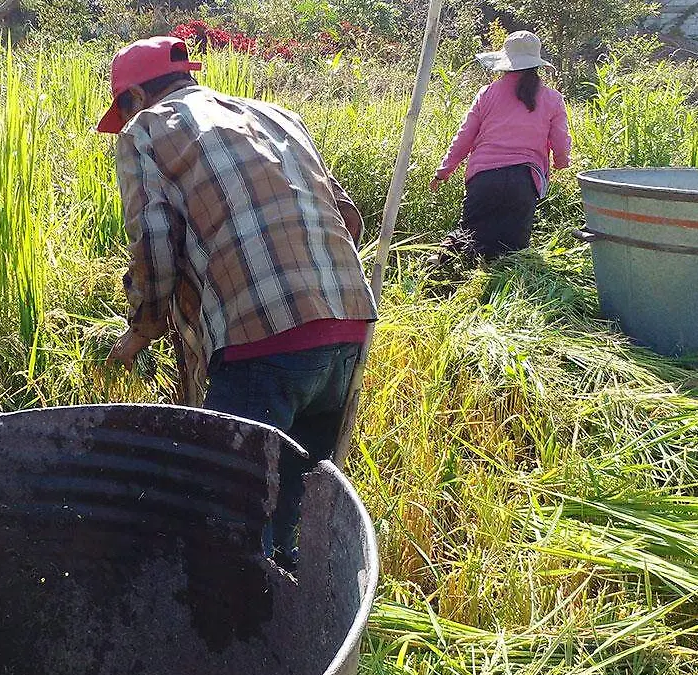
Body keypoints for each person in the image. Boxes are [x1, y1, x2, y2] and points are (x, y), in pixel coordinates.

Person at [98, 36, 376, 566]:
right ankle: (289, 616)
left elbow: (154, 242)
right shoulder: (277, 116)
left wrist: (141, 329)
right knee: (290, 509)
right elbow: (350, 219)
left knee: (226, 517)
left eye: (123, 106)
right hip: (349, 326)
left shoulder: (145, 131)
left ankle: (233, 623)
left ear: (134, 96)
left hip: (263, 342)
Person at [431, 30, 572, 260]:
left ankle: (443, 256)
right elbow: (560, 141)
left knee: (469, 235)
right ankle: (502, 289)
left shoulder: (487, 94)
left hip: (483, 177)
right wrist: (561, 162)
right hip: (524, 181)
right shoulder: (552, 99)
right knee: (512, 252)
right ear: (536, 64)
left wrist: (443, 172)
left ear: (505, 62)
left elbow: (464, 136)